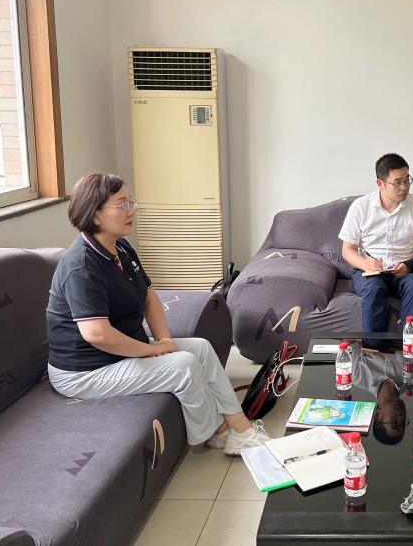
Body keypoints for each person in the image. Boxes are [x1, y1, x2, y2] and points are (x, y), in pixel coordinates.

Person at [46, 173, 269, 456]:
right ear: (96, 215)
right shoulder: (82, 266)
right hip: (85, 371)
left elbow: (149, 296)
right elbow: (96, 334)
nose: (132, 210)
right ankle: (217, 432)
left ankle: (241, 427)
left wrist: (163, 341)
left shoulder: (120, 247)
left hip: (117, 354)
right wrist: (150, 351)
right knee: (183, 365)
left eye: (131, 202)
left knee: (200, 348)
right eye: (122, 204)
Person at [339, 153, 413, 336]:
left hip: (403, 272)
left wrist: (409, 265)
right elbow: (347, 250)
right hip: (369, 273)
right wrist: (366, 264)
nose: (404, 187)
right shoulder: (360, 207)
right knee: (373, 287)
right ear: (380, 183)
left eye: (407, 181)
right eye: (398, 183)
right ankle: (374, 348)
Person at [351, 342, 413, 444]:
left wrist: (364, 343)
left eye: (394, 422)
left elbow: (347, 340)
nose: (401, 417)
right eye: (403, 422)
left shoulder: (358, 376)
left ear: (378, 415)